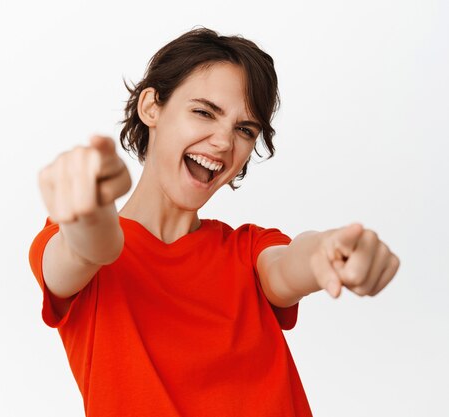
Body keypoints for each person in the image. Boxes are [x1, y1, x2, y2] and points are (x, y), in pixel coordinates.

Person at [29, 27, 400, 417]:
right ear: (151, 107)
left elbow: (290, 265)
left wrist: (328, 251)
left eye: (244, 130)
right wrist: (92, 212)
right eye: (204, 112)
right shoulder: (69, 240)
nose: (224, 142)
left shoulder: (248, 250)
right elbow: (88, 248)